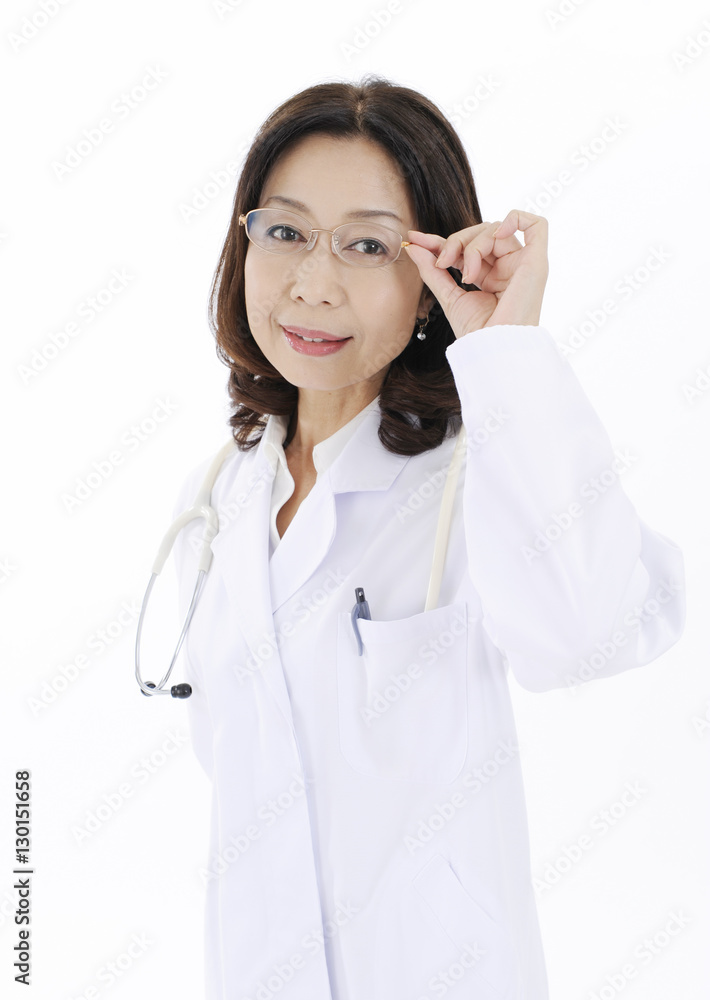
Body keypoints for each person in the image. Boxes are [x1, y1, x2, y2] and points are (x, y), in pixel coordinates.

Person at [170, 75, 686, 1000]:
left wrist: (502, 349)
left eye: (369, 245)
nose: (312, 283)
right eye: (284, 232)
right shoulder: (218, 502)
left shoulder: (481, 473)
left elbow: (586, 635)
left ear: (426, 287)